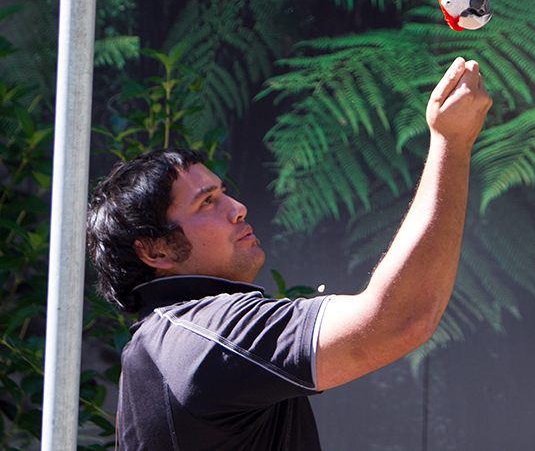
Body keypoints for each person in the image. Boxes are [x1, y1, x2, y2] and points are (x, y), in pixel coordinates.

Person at [86, 57, 492, 451]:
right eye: (206, 202)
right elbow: (400, 317)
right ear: (155, 250)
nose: (237, 207)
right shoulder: (208, 335)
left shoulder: (157, 343)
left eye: (223, 191)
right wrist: (451, 143)